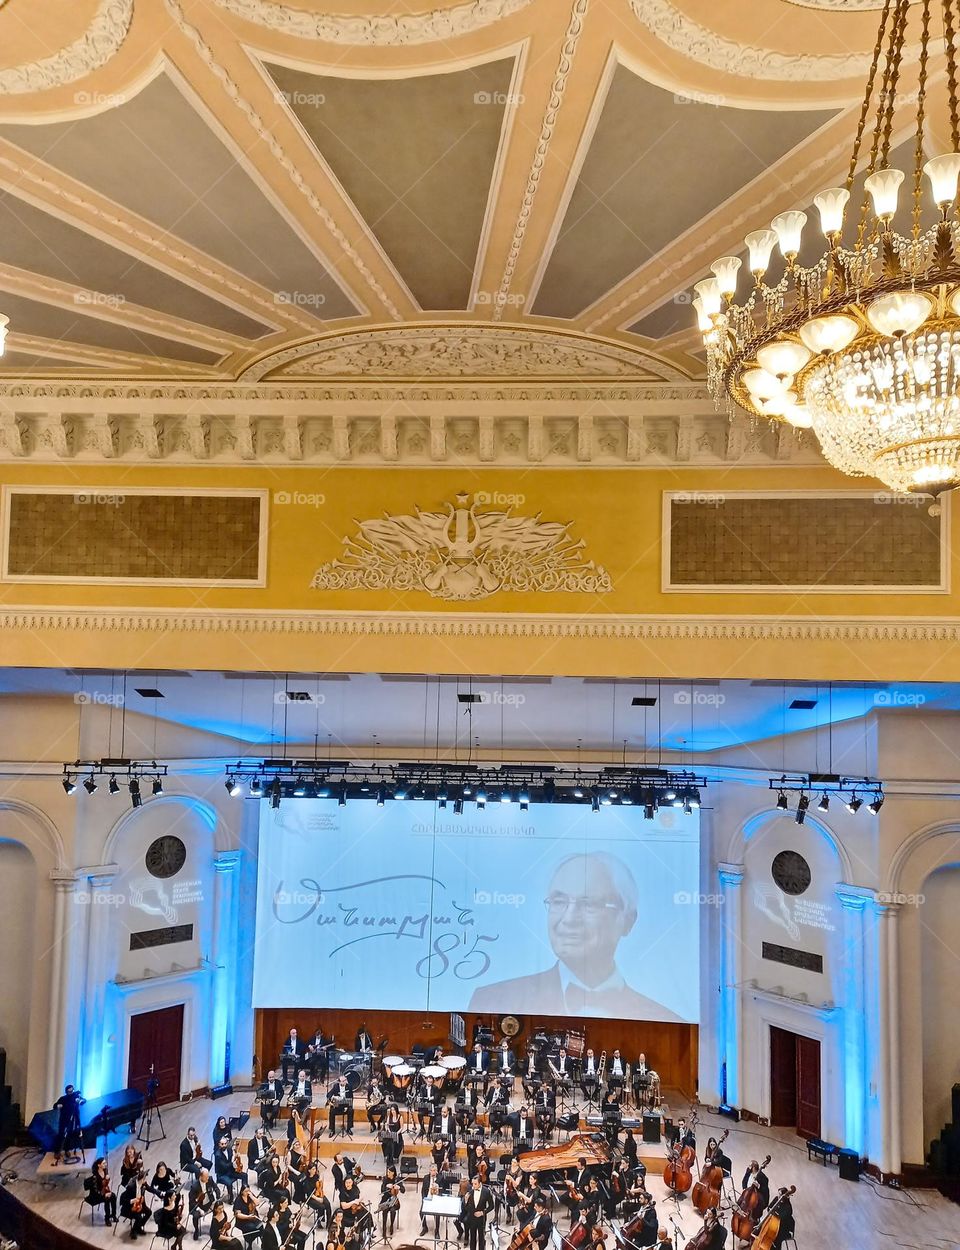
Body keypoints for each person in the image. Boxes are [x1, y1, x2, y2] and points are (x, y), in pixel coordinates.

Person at [468, 853, 684, 1020]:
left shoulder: (665, 1018)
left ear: (627, 920)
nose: (569, 919)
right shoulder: (491, 999)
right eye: (559, 902)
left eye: (588, 904)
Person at [54, 1084, 85, 1162]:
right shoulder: (63, 1099)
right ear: (66, 1092)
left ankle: (67, 1150)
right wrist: (58, 1106)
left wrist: (80, 1101)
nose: (71, 1093)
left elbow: (84, 1100)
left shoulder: (76, 1097)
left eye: (72, 1091)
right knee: (61, 1135)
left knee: (69, 1135)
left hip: (73, 1119)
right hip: (64, 1119)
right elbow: (55, 1105)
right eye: (69, 1091)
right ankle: (57, 1151)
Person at [462, 1174, 494, 1250]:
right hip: (472, 1218)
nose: (473, 1186)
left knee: (481, 1239)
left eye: (475, 1184)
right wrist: (466, 1201)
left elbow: (491, 1206)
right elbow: (466, 1208)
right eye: (472, 1183)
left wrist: (483, 1212)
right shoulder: (470, 1190)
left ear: (480, 1183)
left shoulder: (486, 1192)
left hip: (481, 1219)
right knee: (472, 1238)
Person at [119, 1169, 152, 1239]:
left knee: (149, 1212)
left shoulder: (143, 1184)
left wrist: (161, 1193)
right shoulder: (131, 1187)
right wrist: (133, 1200)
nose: (145, 1181)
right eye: (144, 1179)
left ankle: (138, 1227)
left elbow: (151, 1189)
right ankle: (133, 1231)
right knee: (138, 1217)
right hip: (129, 1208)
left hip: (138, 1205)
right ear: (141, 1179)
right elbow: (123, 1200)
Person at [189, 1168, 219, 1240]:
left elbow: (216, 1188)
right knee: (196, 1216)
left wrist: (218, 1195)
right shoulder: (194, 1186)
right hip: (198, 1205)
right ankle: (196, 1230)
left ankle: (213, 1228)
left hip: (209, 1203)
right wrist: (199, 1209)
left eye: (208, 1176)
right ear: (201, 1176)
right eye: (206, 1177)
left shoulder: (210, 1179)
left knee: (218, 1208)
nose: (208, 1178)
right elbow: (192, 1201)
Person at [87, 1157, 117, 1226]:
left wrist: (108, 1180)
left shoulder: (105, 1171)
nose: (105, 1164)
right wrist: (104, 1194)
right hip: (96, 1195)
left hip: (105, 1191)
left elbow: (105, 1183)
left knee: (113, 1196)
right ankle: (107, 1218)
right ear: (99, 1165)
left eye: (105, 1163)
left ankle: (113, 1215)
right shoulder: (95, 1176)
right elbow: (95, 1190)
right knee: (107, 1199)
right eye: (104, 1163)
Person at [379, 1165, 404, 1238]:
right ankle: (384, 1229)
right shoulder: (385, 1179)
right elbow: (382, 1191)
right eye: (387, 1172)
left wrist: (399, 1187)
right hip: (385, 1198)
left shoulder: (397, 1179)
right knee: (385, 1210)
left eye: (389, 1172)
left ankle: (391, 1225)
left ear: (393, 1173)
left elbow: (403, 1190)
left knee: (393, 1211)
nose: (387, 1173)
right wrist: (387, 1186)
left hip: (394, 1200)